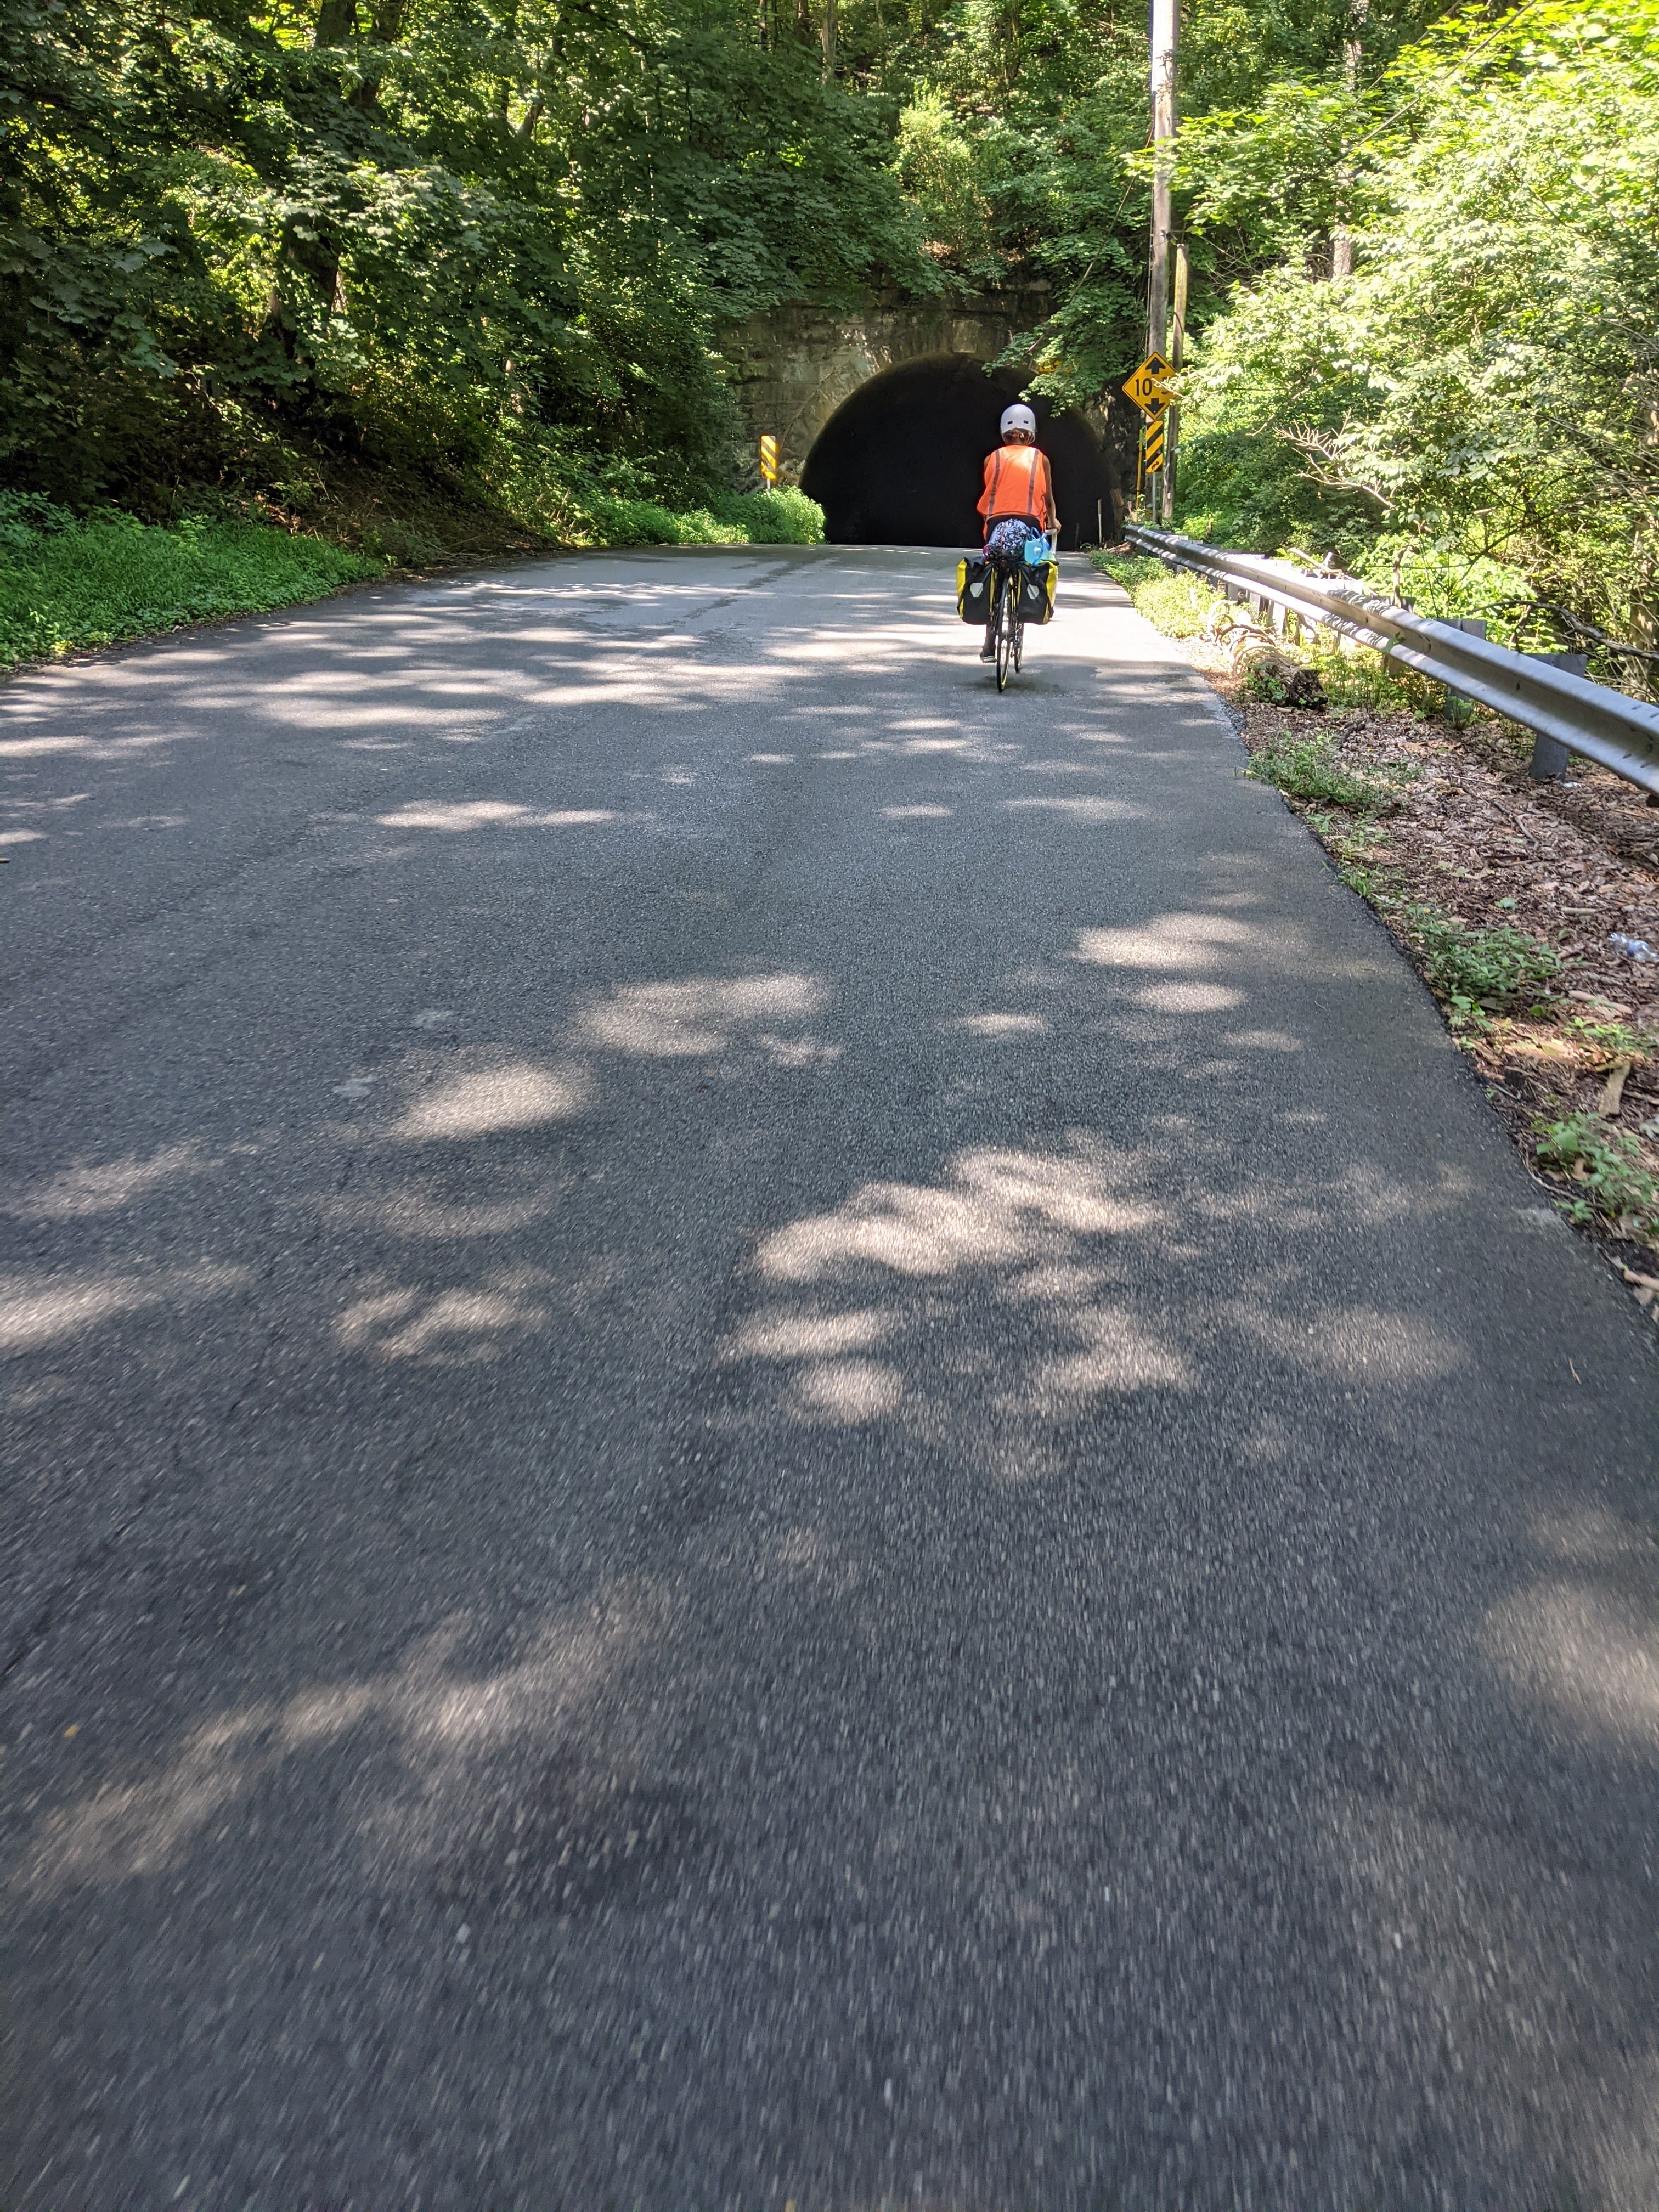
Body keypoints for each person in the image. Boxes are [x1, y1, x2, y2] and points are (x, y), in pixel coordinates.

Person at [977, 403, 1058, 661]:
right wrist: (1054, 522)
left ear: (1003, 432)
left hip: (996, 525)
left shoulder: (992, 458)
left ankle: (989, 644)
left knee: (995, 570)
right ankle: (1019, 615)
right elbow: (1048, 498)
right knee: (1026, 568)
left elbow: (993, 492)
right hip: (1030, 524)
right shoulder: (1040, 459)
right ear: (1031, 431)